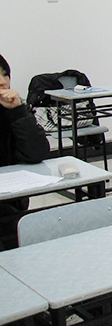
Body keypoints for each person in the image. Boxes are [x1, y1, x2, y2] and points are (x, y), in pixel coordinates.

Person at [1, 54, 50, 249]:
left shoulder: (12, 109)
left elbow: (37, 153)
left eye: (6, 75)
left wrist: (18, 112)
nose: (3, 82)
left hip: (10, 205)